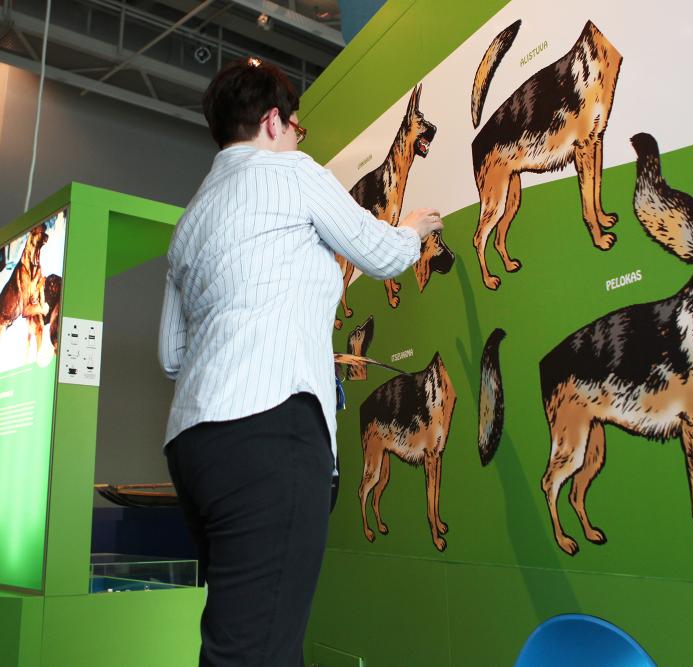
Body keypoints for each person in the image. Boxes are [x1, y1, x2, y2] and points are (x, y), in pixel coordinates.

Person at [158, 57, 443, 667]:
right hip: (268, 434)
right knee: (255, 651)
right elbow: (382, 252)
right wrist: (415, 229)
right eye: (296, 127)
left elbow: (171, 355)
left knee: (253, 634)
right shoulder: (290, 173)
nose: (296, 138)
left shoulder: (188, 225)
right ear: (271, 122)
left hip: (194, 447)